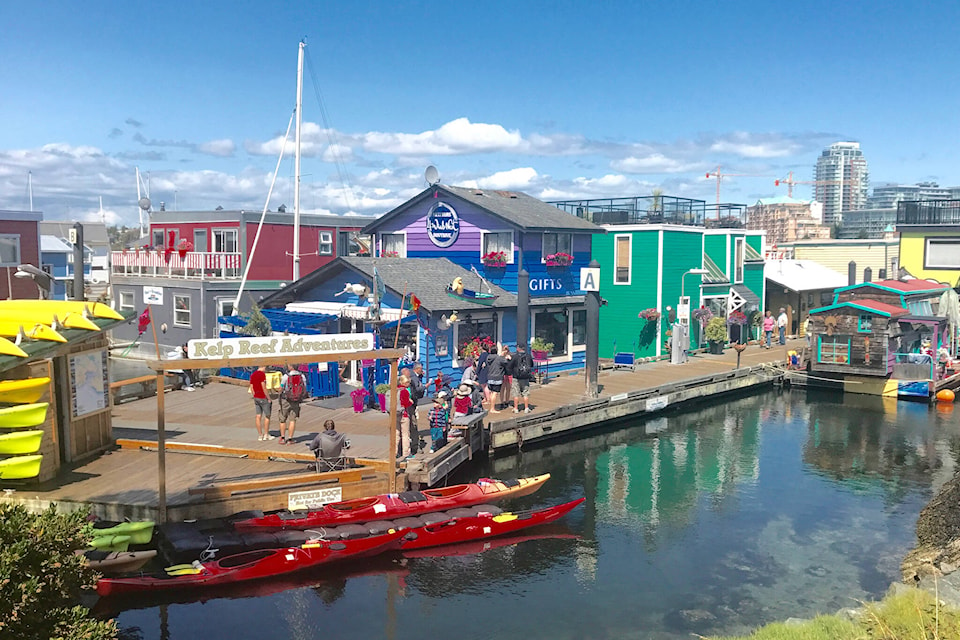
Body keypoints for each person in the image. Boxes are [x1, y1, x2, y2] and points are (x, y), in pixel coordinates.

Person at [278, 364, 307, 445]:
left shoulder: (286, 376)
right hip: (296, 400)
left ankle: (283, 438)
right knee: (292, 420)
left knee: (282, 418)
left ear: (290, 367)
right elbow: (304, 387)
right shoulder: (302, 376)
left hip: (286, 399)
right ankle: (290, 439)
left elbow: (281, 387)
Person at [249, 365, 275, 441]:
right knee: (267, 416)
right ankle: (266, 434)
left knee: (258, 416)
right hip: (263, 397)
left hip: (256, 397)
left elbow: (251, 386)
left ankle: (260, 435)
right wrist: (269, 398)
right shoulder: (262, 375)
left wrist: (254, 395)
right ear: (263, 367)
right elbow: (263, 387)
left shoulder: (253, 374)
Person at [511, 343, 534, 414]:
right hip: (525, 377)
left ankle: (516, 408)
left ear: (518, 348)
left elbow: (510, 365)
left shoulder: (515, 356)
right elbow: (532, 365)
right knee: (525, 392)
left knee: (515, 393)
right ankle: (526, 408)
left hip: (516, 377)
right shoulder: (528, 356)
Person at [397, 375, 415, 458]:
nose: (409, 384)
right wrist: (411, 401)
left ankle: (395, 452)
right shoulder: (404, 391)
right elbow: (406, 403)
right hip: (403, 414)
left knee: (396, 434)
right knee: (405, 434)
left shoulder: (395, 390)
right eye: (408, 382)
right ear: (404, 382)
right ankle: (406, 453)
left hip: (395, 415)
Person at [483, 346, 505, 413]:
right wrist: (503, 356)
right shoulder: (498, 358)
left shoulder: (488, 358)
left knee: (492, 392)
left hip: (490, 377)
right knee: (495, 393)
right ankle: (492, 409)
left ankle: (491, 406)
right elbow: (505, 362)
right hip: (497, 377)